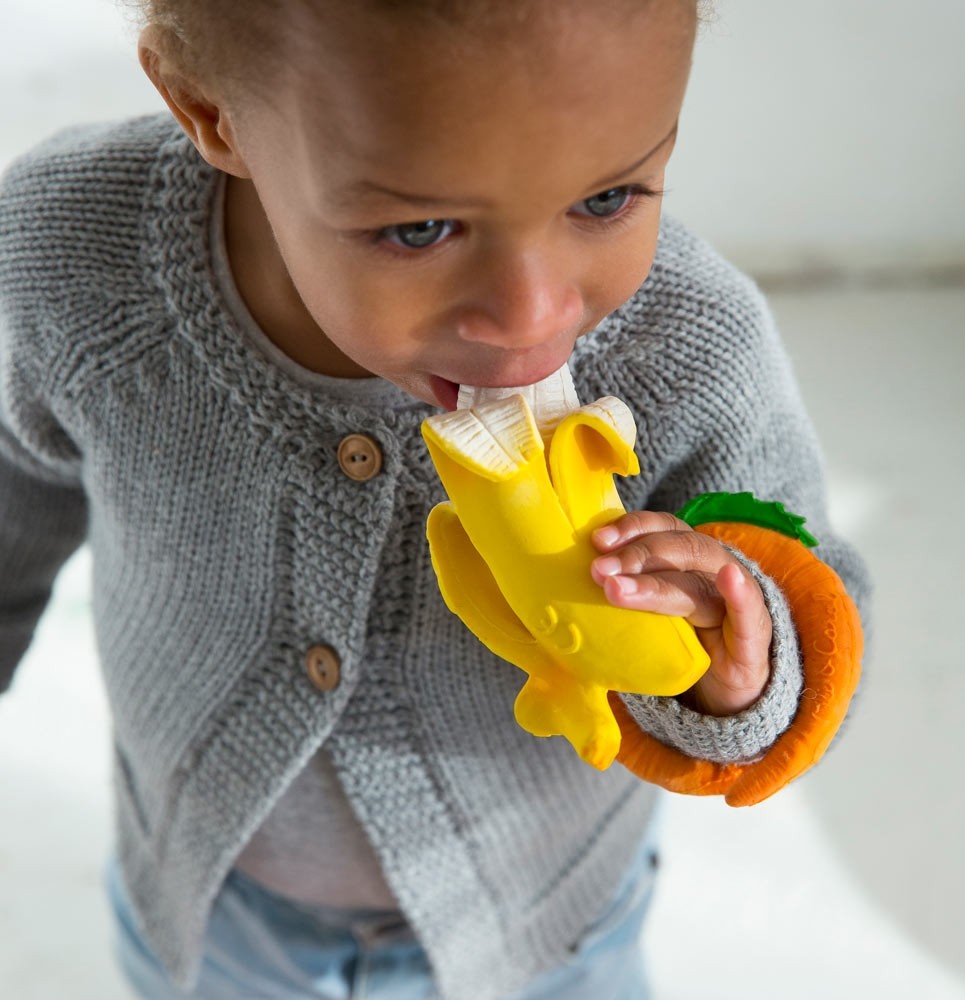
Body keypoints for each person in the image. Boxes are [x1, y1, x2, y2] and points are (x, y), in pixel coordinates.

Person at [0, 0, 870, 997]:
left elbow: (811, 595)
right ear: (210, 113)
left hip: (546, 921)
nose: (532, 313)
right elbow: (11, 478)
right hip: (214, 909)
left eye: (608, 199)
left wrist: (735, 654)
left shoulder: (684, 348)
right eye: (419, 228)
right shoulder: (80, 261)